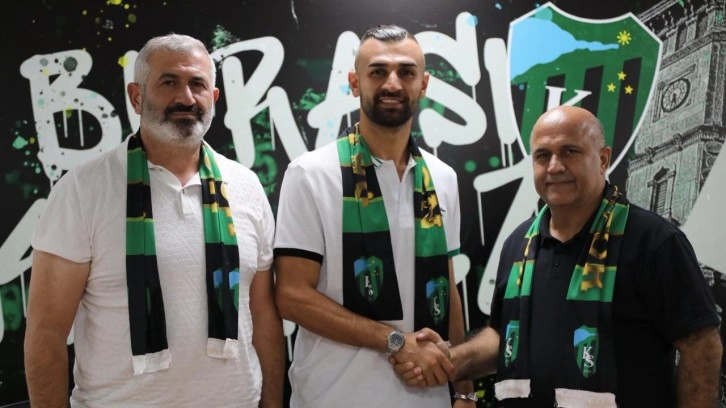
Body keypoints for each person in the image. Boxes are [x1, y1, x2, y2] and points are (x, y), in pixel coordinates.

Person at [397, 105, 722, 407]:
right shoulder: (517, 244)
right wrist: (447, 361)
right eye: (543, 155)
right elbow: (503, 337)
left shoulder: (654, 241)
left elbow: (701, 345)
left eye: (570, 151)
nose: (554, 166)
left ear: (603, 159)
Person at [24, 34, 284, 407]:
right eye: (169, 82)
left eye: (198, 84)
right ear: (136, 96)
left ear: (214, 97)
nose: (186, 98)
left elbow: (264, 314)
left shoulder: (246, 186)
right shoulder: (83, 189)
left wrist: (272, 403)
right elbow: (46, 333)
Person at [273, 25, 476, 407]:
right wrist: (396, 341)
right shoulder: (310, 174)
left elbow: (447, 290)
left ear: (424, 84)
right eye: (378, 71)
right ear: (354, 83)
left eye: (407, 72)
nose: (393, 83)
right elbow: (292, 296)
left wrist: (463, 389)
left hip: (427, 397)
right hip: (333, 398)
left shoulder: (443, 178)